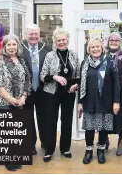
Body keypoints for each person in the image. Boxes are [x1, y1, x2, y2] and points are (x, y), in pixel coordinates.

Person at [0, 34, 31, 172]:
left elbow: (27, 80)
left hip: (19, 102)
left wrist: (24, 96)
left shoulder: (21, 61)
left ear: (18, 46)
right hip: (4, 102)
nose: (12, 47)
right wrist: (10, 99)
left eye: (14, 44)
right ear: (4, 46)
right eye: (9, 45)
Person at [40, 29, 80, 162]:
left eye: (63, 40)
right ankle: (49, 150)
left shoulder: (74, 55)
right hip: (52, 93)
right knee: (51, 121)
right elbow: (42, 76)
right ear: (55, 42)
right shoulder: (50, 56)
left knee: (67, 121)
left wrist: (76, 85)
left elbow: (78, 75)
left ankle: (65, 148)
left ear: (67, 40)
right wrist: (55, 77)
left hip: (69, 93)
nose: (61, 42)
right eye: (59, 40)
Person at [78, 38, 120, 165]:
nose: (95, 49)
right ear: (88, 50)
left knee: (102, 128)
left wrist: (116, 101)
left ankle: (101, 151)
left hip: (105, 101)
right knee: (89, 128)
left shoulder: (109, 62)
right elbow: (81, 83)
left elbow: (116, 83)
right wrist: (80, 102)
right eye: (92, 47)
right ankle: (89, 151)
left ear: (102, 48)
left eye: (97, 47)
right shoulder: (85, 63)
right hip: (89, 100)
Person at [21, 24, 52, 155]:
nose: (33, 36)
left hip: (42, 89)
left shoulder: (47, 48)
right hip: (25, 89)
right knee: (27, 117)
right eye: (31, 34)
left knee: (44, 116)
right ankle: (30, 144)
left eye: (36, 34)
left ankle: (45, 142)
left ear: (39, 34)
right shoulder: (19, 47)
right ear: (26, 34)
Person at [105, 32, 122, 156]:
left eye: (116, 40)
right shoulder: (103, 56)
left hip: (121, 93)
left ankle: (120, 141)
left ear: (120, 42)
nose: (114, 42)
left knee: (120, 118)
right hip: (106, 93)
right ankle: (104, 139)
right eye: (111, 40)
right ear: (108, 42)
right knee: (106, 116)